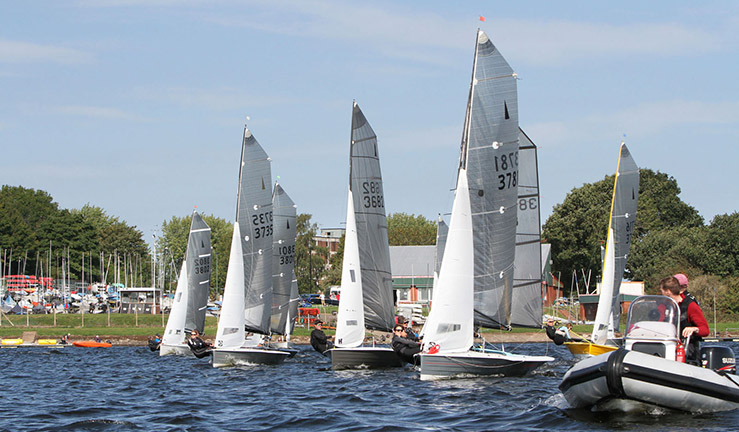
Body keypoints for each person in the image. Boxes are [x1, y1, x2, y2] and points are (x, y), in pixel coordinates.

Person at [660, 276, 709, 365]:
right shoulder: (664, 306)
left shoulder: (690, 305)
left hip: (688, 353)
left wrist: (694, 329)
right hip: (666, 349)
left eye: (662, 291)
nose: (661, 294)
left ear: (668, 291)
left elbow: (705, 330)